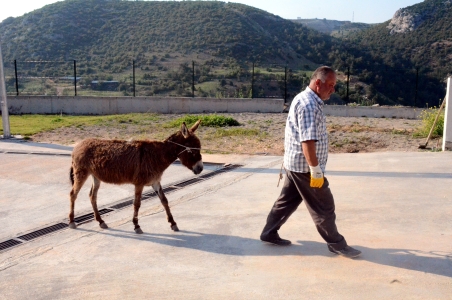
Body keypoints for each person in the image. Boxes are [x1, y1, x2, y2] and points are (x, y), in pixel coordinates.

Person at [260, 66, 361, 258]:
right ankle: (337, 244)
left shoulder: (304, 99)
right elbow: (307, 141)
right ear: (317, 83)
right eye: (330, 85)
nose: (333, 89)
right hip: (305, 168)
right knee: (324, 206)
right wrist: (315, 170)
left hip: (294, 164)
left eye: (334, 85)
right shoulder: (309, 105)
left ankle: (268, 232)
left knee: (286, 202)